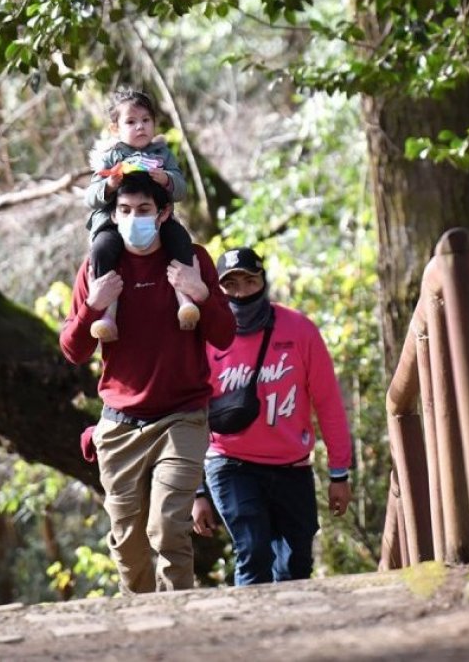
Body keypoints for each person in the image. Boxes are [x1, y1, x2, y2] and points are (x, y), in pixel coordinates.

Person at [60, 172, 235, 593]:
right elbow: (73, 349)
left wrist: (201, 294)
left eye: (143, 211)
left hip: (182, 417)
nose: (134, 219)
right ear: (113, 215)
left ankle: (180, 620)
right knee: (128, 543)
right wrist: (93, 307)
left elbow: (225, 335)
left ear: (164, 213)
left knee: (169, 528)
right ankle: (138, 623)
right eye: (124, 211)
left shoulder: (191, 260)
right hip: (120, 424)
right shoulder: (98, 268)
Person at [190, 247, 354, 586]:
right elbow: (190, 417)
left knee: (296, 564)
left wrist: (339, 473)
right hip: (230, 462)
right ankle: (252, 635)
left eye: (250, 281)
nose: (241, 292)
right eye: (231, 285)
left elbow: (328, 404)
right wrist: (198, 492)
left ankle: (294, 634)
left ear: (263, 282)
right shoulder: (203, 338)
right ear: (217, 290)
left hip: (291, 466)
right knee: (253, 550)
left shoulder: (300, 331)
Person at [85, 87, 198, 341]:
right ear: (115, 129)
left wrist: (167, 179)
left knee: (179, 239)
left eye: (146, 120)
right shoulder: (110, 156)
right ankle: (108, 315)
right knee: (102, 249)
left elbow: (181, 190)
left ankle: (185, 300)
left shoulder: (163, 154)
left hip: (157, 221)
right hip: (114, 225)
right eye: (131, 121)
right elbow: (89, 197)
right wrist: (110, 185)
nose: (140, 127)